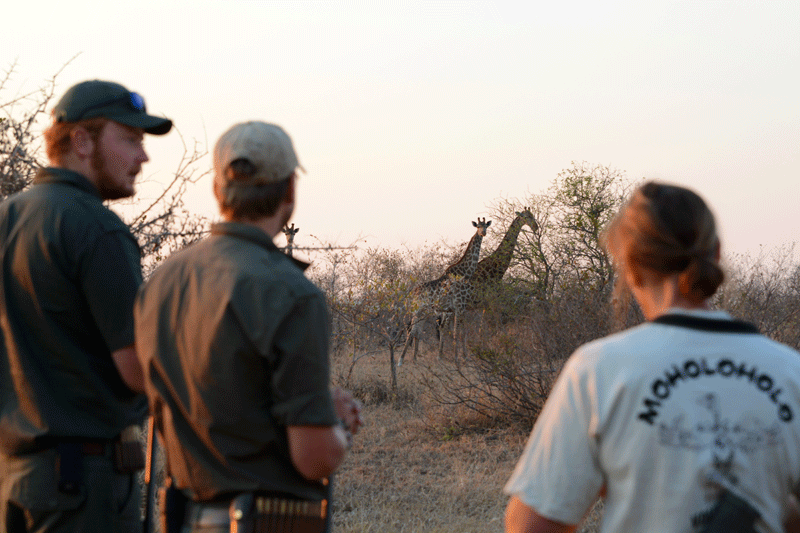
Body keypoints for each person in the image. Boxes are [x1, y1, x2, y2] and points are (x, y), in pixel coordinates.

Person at [504, 181, 800, 533]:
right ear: (717, 253)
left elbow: (532, 525)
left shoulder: (600, 369)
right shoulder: (790, 371)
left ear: (628, 262)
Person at [134, 121, 363, 533]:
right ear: (290, 191)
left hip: (184, 518)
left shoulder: (161, 284)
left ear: (218, 190)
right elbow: (314, 457)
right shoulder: (292, 293)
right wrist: (338, 424)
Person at [0, 80, 172, 532]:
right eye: (131, 139)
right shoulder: (98, 230)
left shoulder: (6, 218)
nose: (143, 156)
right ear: (81, 140)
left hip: (12, 480)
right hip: (82, 486)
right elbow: (139, 370)